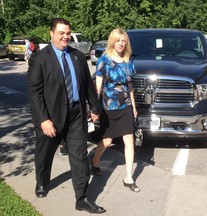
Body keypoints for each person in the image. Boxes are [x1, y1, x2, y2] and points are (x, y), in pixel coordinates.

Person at [27, 18, 106, 214]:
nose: (66, 36)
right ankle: (42, 182)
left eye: (68, 33)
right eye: (61, 33)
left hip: (75, 115)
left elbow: (88, 86)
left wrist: (95, 109)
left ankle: (82, 198)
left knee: (79, 156)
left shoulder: (78, 56)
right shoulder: (40, 59)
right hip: (50, 117)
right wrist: (43, 120)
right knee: (44, 155)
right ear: (51, 34)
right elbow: (34, 92)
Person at [91, 28, 140, 193]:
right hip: (109, 106)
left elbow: (130, 85)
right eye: (119, 40)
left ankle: (128, 177)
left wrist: (133, 106)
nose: (121, 43)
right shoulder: (103, 60)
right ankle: (95, 160)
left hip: (125, 105)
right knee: (107, 141)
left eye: (124, 41)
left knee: (129, 140)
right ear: (113, 41)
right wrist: (95, 108)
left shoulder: (128, 61)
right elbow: (98, 87)